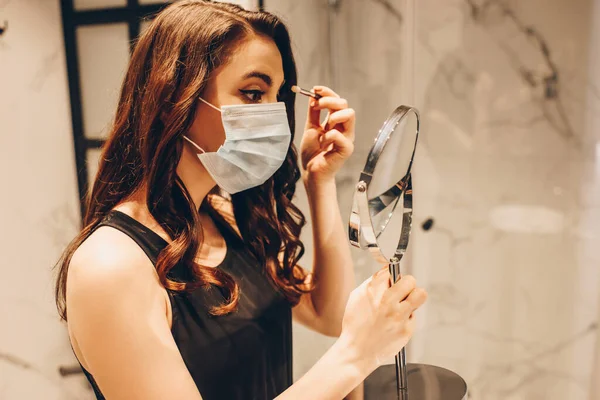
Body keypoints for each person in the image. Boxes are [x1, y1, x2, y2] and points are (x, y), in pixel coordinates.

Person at [54, 1, 427, 399]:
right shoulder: (111, 267)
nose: (275, 114)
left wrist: (319, 180)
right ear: (172, 100)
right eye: (252, 94)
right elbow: (345, 337)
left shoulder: (224, 217)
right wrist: (355, 354)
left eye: (278, 96)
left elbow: (327, 314)